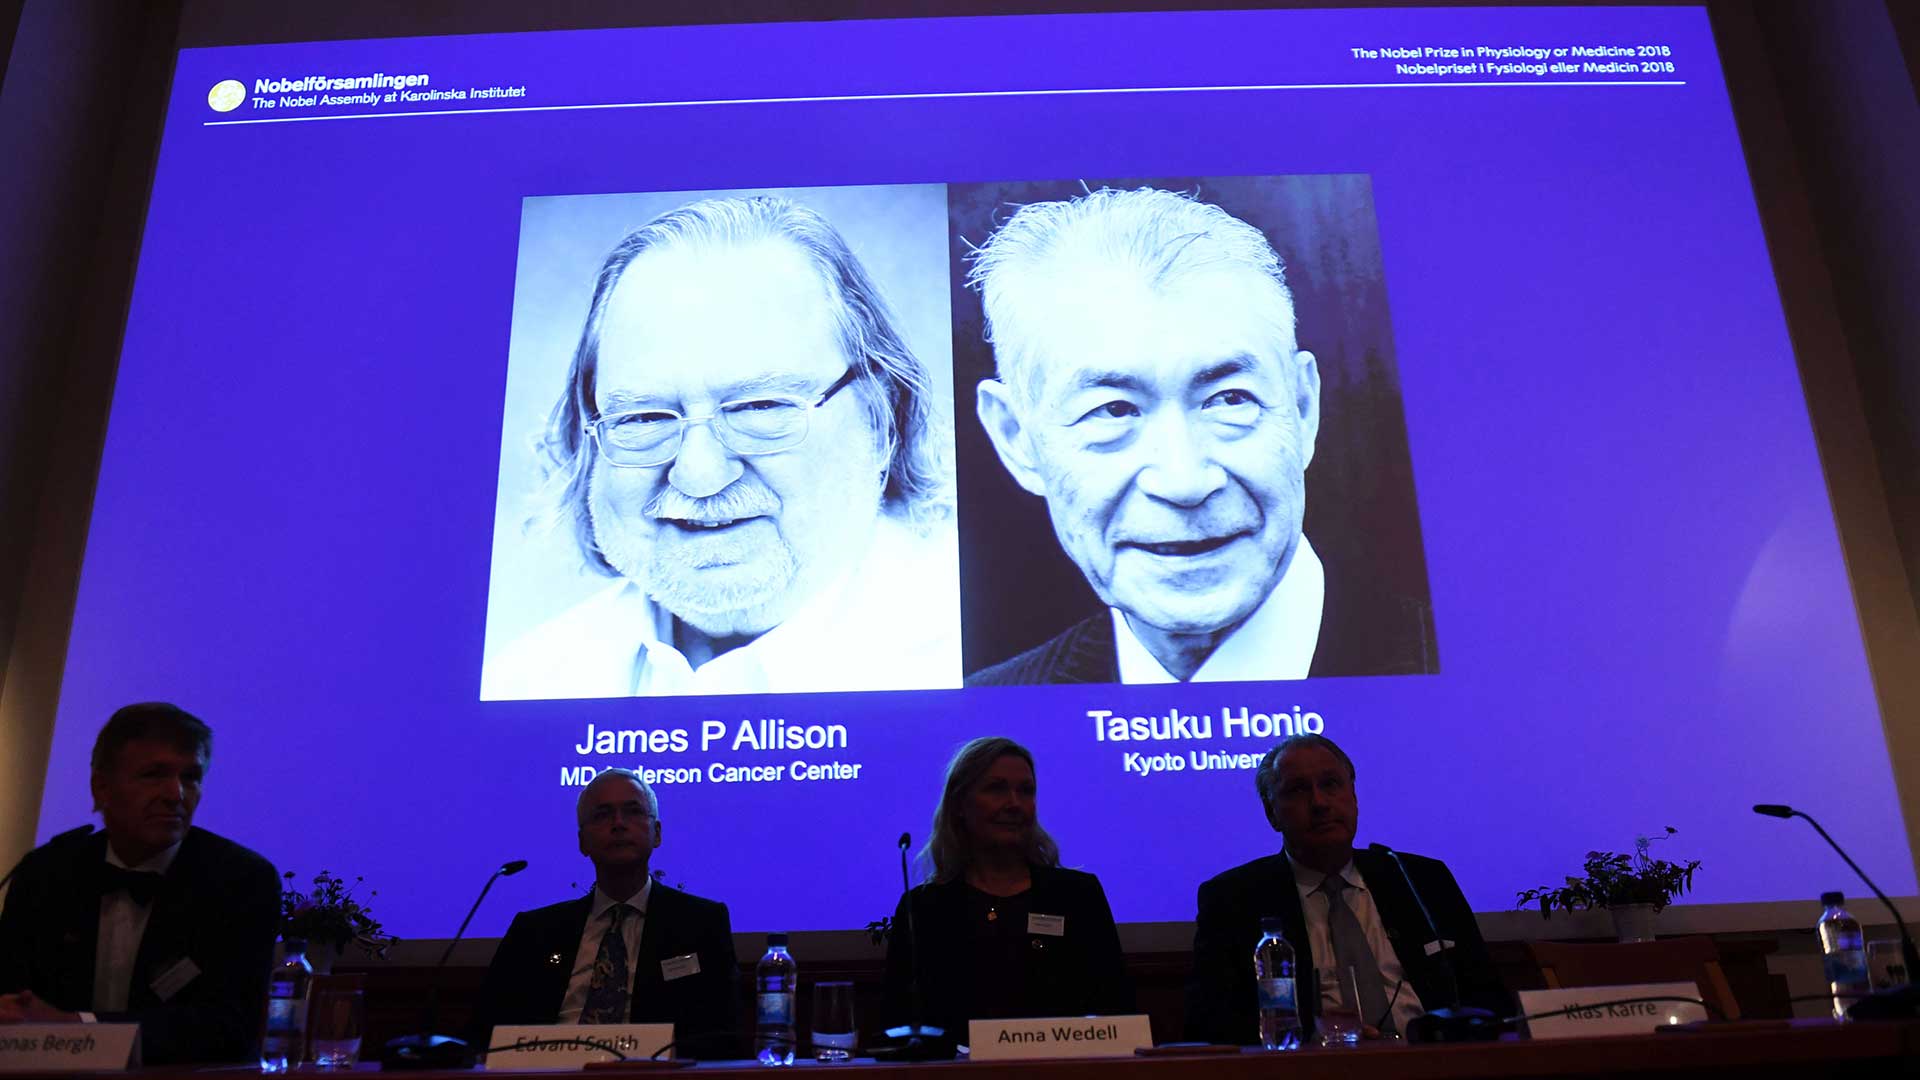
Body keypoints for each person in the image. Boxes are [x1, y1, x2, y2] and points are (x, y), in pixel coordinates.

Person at [483, 194, 959, 700]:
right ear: (589, 439)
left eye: (760, 408)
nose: (698, 473)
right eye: (643, 417)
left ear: (882, 419)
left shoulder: (974, 659)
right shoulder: (521, 683)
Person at [963, 185, 1431, 685]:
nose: (1184, 481)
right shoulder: (988, 703)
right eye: (1113, 410)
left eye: (1230, 400)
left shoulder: (1462, 666)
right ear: (1016, 438)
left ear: (1302, 407)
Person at [0, 703, 280, 1064]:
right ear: (101, 787)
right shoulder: (47, 872)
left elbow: (229, 1027)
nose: (176, 794)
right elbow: (12, 993)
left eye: (191, 777)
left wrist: (75, 1026)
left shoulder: (240, 880)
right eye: (153, 774)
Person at [1184, 734, 1507, 1044]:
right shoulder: (1234, 898)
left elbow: (1488, 998)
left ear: (1353, 797)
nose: (1320, 803)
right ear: (1272, 814)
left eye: (1331, 784)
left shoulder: (1418, 878)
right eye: (1297, 790)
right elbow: (1212, 1023)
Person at [882, 737, 1132, 1042]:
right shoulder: (925, 907)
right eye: (996, 789)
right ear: (960, 804)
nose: (1014, 803)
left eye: (1025, 791)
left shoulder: (1077, 895)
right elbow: (898, 1021)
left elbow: (1117, 1010)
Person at [475, 769, 736, 1051]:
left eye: (633, 811)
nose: (618, 824)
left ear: (657, 833)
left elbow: (721, 1036)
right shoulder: (534, 931)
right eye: (602, 815)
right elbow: (484, 1033)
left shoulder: (701, 924)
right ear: (582, 842)